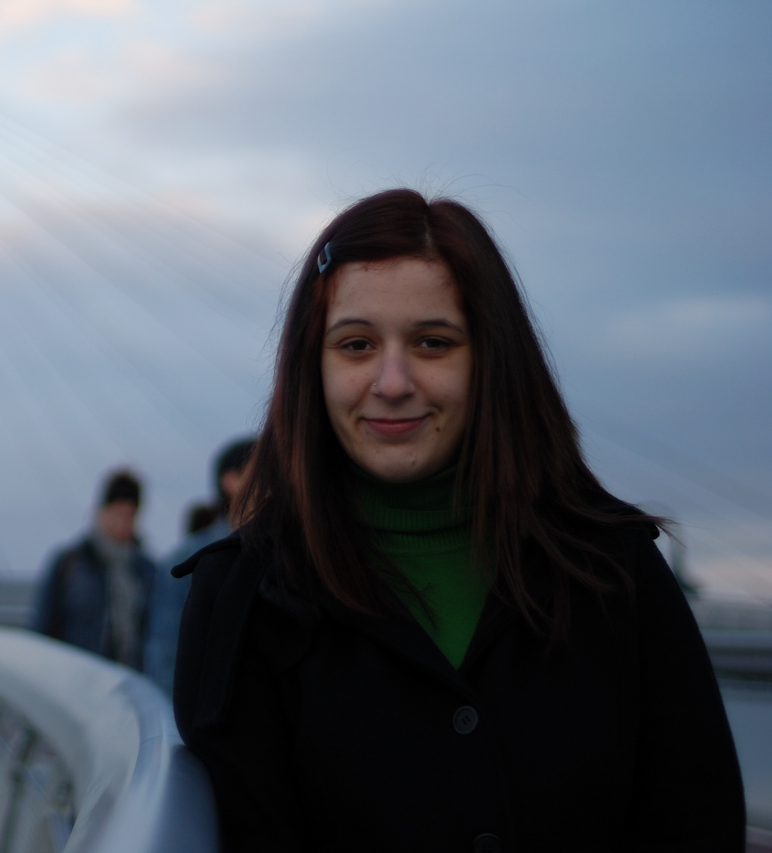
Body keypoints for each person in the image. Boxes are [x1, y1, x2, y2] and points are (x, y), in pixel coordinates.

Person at [173, 190, 743, 850]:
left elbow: (695, 819)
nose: (391, 381)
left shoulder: (612, 569)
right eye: (355, 345)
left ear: (489, 362)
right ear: (313, 369)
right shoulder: (241, 601)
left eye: (432, 342)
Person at [143, 437, 254, 693]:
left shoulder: (285, 554)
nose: (275, 480)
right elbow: (165, 651)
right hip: (201, 722)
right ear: (231, 481)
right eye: (262, 470)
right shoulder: (187, 559)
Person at [30, 468, 156, 670]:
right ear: (102, 513)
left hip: (128, 681)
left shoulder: (145, 571)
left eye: (130, 517)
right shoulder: (69, 564)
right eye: (118, 515)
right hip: (75, 677)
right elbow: (43, 626)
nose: (122, 525)